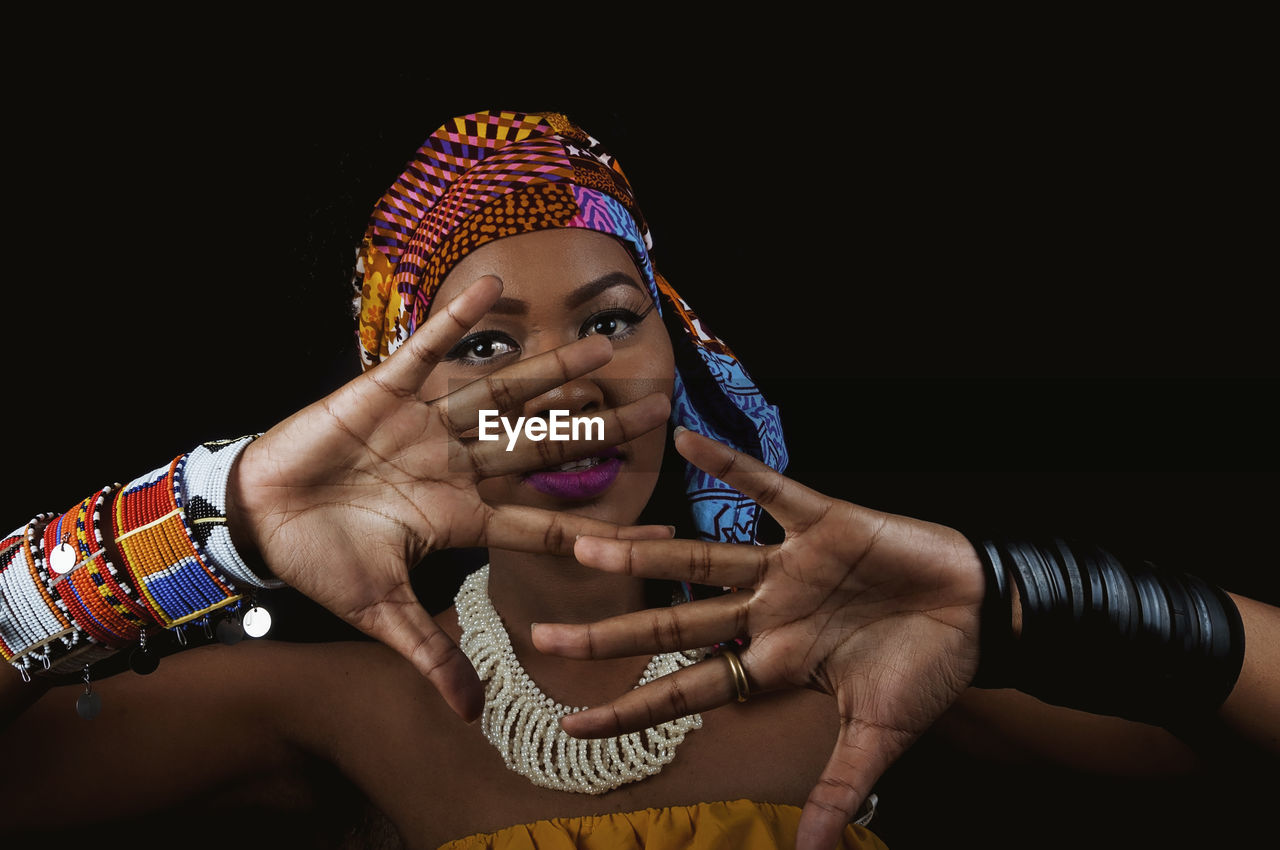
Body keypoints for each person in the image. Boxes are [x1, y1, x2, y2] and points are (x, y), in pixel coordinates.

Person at [1, 108, 1275, 850]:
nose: (566, 381)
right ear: (397, 394)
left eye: (610, 319)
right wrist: (215, 518)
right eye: (484, 343)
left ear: (680, 350)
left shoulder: (863, 658)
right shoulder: (334, 711)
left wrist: (1016, 595)